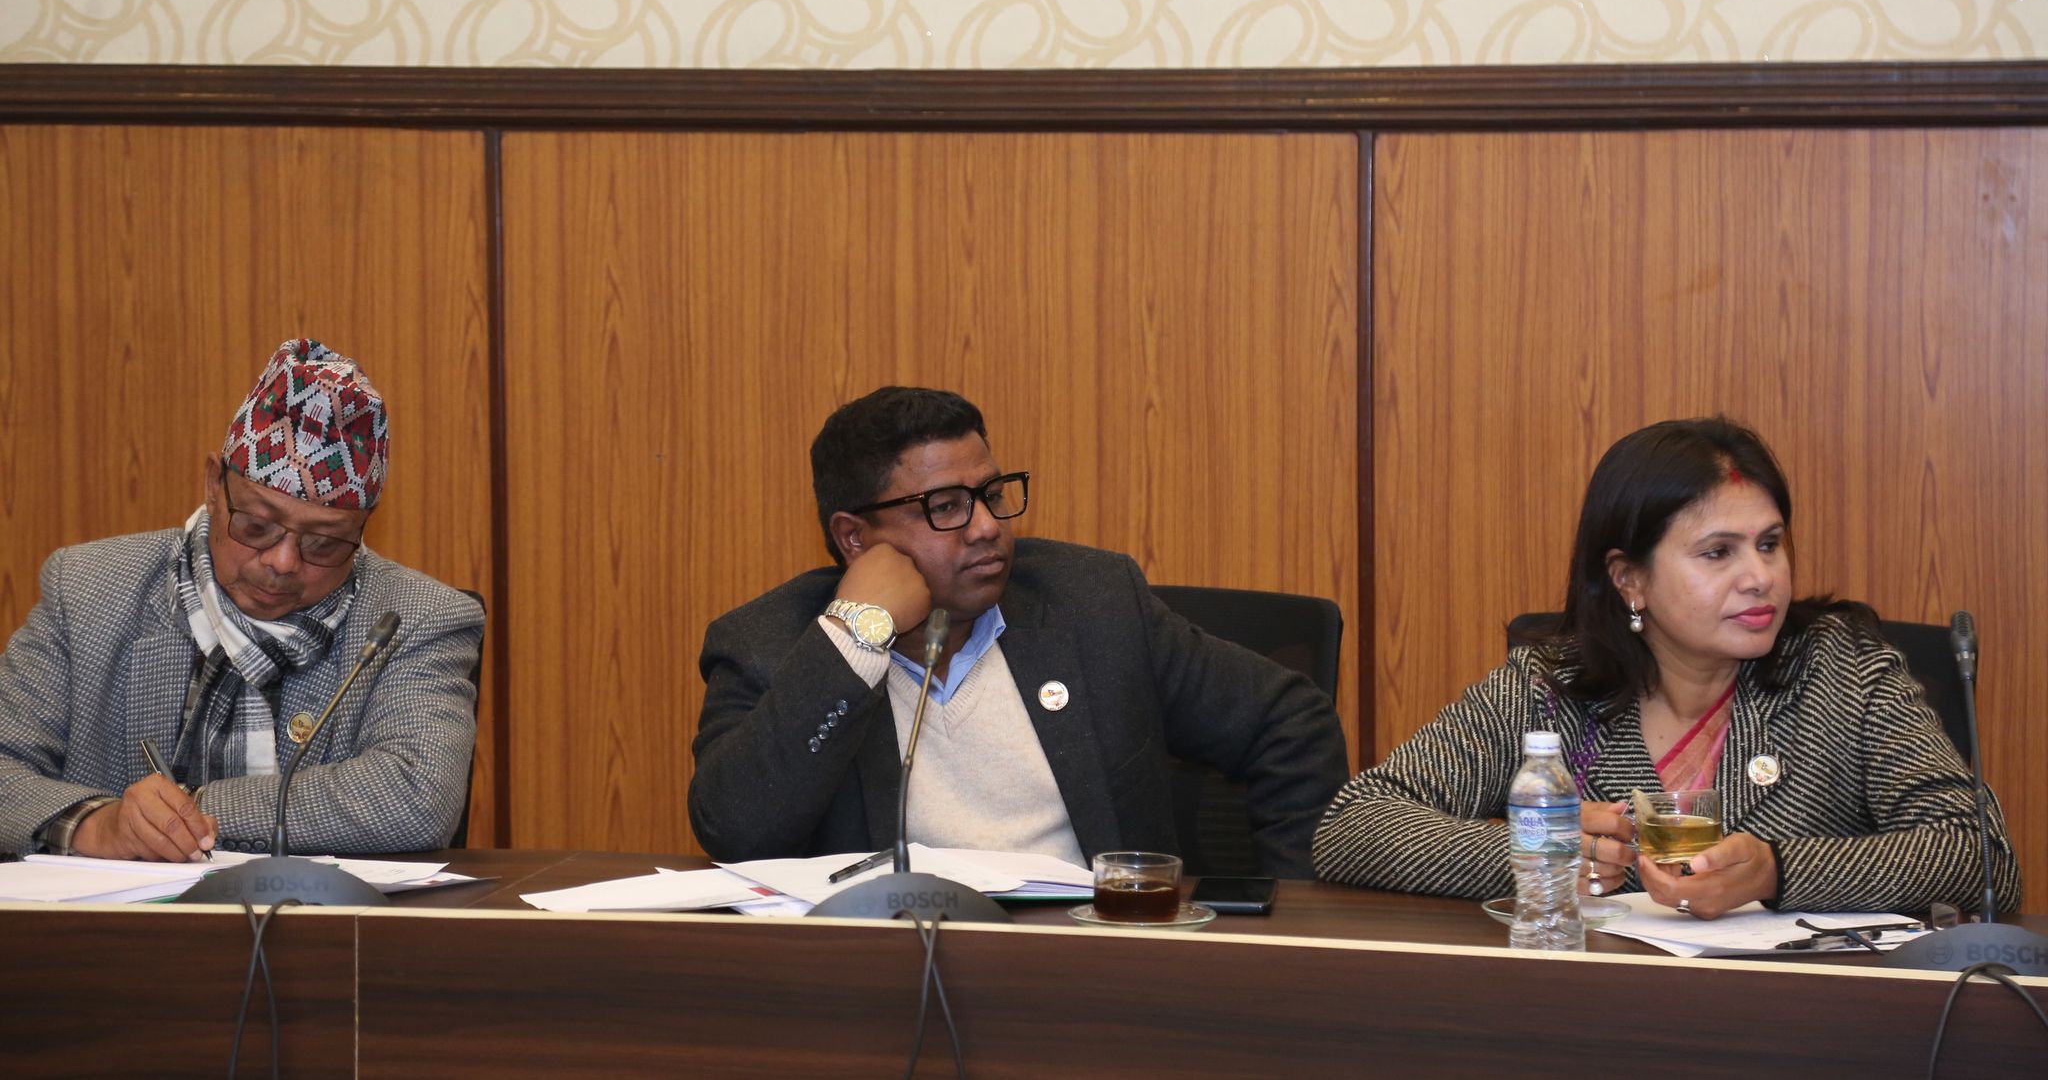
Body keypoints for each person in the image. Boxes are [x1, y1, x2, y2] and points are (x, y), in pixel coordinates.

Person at [1313, 416, 2021, 918]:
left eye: (1770, 544)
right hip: (1596, 1020)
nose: (1761, 578)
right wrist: (1542, 846)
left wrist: (1777, 871)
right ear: (1630, 579)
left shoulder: (1844, 669)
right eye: (1718, 553)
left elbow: (1978, 853)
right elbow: (1353, 826)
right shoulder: (1550, 687)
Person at [690, 386, 1349, 876]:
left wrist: (1285, 920)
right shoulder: (769, 646)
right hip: (890, 984)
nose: (987, 527)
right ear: (855, 539)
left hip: (1097, 969)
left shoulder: (1094, 606)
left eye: (993, 494)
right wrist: (855, 639)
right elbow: (735, 830)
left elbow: (1289, 719)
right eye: (946, 507)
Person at [0, 339, 484, 861]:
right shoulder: (88, 587)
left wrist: (182, 815)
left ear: (362, 529)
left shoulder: (417, 618)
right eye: (256, 526)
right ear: (214, 485)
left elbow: (417, 796)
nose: (283, 562)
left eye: (324, 543)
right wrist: (96, 823)